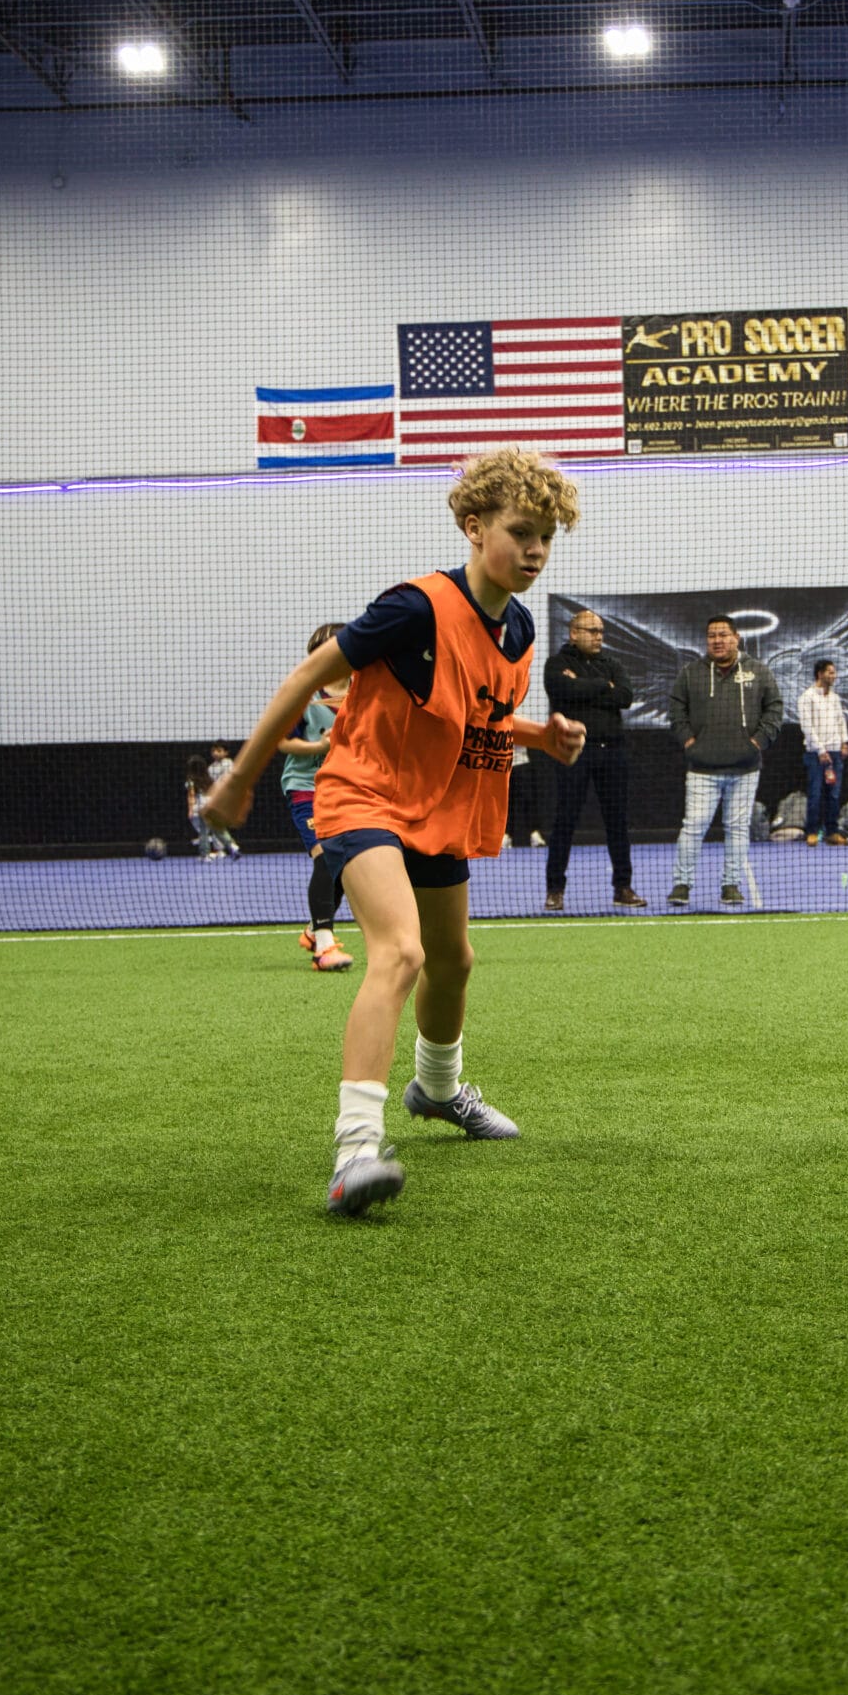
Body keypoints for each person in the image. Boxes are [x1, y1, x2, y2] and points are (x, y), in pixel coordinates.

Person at [203, 446, 586, 1217]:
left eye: (547, 534)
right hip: (362, 797)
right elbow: (306, 677)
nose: (536, 549)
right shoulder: (414, 606)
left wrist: (538, 735)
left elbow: (475, 712)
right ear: (473, 527)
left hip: (437, 811)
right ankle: (354, 1149)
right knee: (402, 951)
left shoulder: (516, 631)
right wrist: (240, 778)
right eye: (522, 531)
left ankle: (437, 1093)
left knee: (454, 961)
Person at [667, 617, 783, 909]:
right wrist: (689, 742)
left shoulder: (759, 672)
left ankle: (731, 884)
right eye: (711, 636)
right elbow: (676, 710)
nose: (717, 641)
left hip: (745, 768)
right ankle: (682, 884)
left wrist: (757, 742)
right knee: (693, 826)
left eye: (723, 635)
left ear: (736, 638)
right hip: (702, 769)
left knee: (738, 827)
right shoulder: (691, 673)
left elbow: (775, 709)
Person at [542, 608, 644, 910]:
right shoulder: (557, 664)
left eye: (601, 631)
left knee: (618, 823)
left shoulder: (612, 663)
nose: (599, 636)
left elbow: (625, 696)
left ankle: (622, 888)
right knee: (565, 821)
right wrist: (602, 685)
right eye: (592, 631)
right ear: (574, 633)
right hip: (574, 753)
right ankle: (555, 890)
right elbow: (561, 690)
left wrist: (584, 685)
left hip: (612, 751)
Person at [279, 624, 354, 969]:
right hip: (307, 786)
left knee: (343, 864)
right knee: (324, 856)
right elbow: (282, 741)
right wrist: (318, 746)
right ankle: (324, 946)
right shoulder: (304, 694)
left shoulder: (365, 691)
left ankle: (312, 929)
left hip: (348, 788)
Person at [798, 659, 848, 844]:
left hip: (835, 753)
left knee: (834, 794)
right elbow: (807, 726)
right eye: (830, 672)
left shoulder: (835, 698)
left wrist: (844, 742)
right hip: (815, 754)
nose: (833, 676)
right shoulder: (807, 697)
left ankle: (831, 832)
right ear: (820, 674)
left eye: (834, 673)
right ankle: (812, 831)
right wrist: (820, 750)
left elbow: (840, 720)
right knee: (815, 793)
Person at [186, 755, 228, 860]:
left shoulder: (191, 780)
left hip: (199, 807)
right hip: (210, 806)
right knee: (214, 829)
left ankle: (205, 854)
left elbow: (191, 795)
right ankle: (221, 850)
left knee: (203, 832)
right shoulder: (208, 779)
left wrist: (190, 809)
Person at [205, 746, 243, 856]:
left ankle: (229, 846)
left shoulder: (229, 764)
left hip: (228, 797)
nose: (215, 753)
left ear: (226, 752)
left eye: (219, 750)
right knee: (215, 823)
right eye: (213, 751)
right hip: (215, 797)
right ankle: (221, 849)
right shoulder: (211, 768)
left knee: (218, 823)